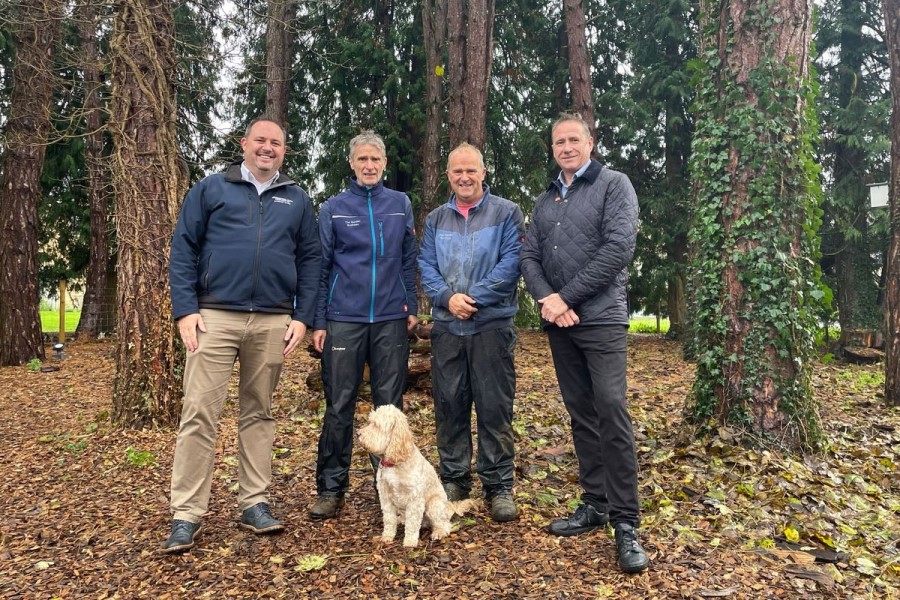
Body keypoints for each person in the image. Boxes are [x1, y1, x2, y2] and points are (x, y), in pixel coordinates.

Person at [163, 117, 321, 554]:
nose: (268, 148)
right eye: (261, 141)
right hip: (213, 317)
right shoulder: (212, 189)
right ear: (244, 144)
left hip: (272, 320)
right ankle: (186, 513)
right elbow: (183, 249)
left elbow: (311, 262)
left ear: (284, 151)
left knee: (260, 412)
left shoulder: (297, 199)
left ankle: (254, 502)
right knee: (199, 413)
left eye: (276, 143)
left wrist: (302, 317)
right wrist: (186, 310)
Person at [519, 112, 649, 573]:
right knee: (582, 416)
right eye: (559, 141)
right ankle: (595, 503)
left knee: (611, 411)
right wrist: (548, 300)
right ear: (552, 148)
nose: (567, 147)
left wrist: (564, 298)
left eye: (574, 139)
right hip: (562, 326)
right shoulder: (547, 197)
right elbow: (529, 255)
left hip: (602, 320)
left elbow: (617, 249)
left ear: (590, 143)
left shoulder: (615, 186)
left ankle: (627, 522)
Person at [309, 130, 418, 519]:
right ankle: (331, 488)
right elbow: (321, 267)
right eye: (362, 160)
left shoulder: (399, 204)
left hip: (390, 317)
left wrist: (412, 306)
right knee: (339, 405)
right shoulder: (333, 208)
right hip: (344, 319)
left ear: (384, 164)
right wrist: (319, 320)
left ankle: (389, 490)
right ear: (352, 164)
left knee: (389, 408)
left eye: (375, 160)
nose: (369, 166)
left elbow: (408, 259)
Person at [418, 143, 525, 523]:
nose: (464, 177)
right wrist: (448, 298)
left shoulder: (506, 213)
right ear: (448, 175)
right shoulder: (435, 220)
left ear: (483, 172)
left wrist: (470, 299)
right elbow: (426, 265)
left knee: (494, 406)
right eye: (457, 171)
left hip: (491, 326)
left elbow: (512, 263)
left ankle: (498, 486)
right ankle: (455, 480)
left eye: (471, 170)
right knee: (449, 405)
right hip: (447, 328)